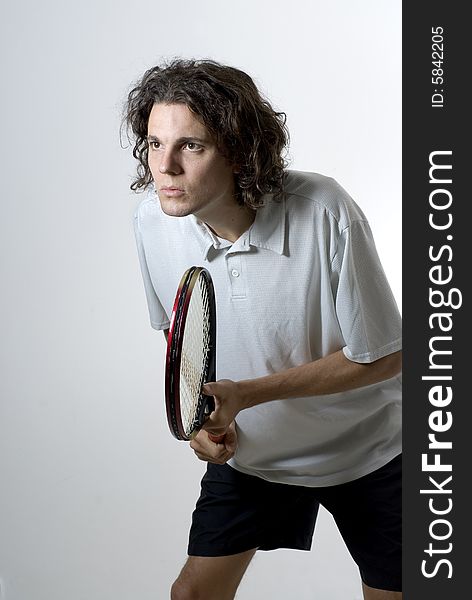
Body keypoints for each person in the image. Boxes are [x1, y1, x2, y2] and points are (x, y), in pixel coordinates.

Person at [124, 59, 402, 600]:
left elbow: (387, 356)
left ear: (238, 148)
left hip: (371, 453)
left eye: (192, 146)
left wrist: (246, 394)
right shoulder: (152, 223)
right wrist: (200, 421)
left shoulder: (323, 211)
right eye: (155, 144)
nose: (166, 168)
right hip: (256, 458)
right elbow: (179, 341)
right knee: (192, 595)